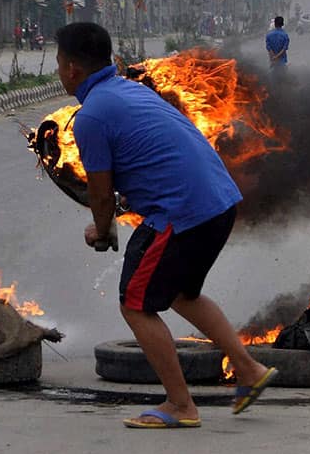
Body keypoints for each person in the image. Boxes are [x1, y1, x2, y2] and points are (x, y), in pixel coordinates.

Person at [55, 22, 278, 429]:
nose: (58, 70)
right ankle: (249, 370)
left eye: (57, 62)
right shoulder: (131, 91)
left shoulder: (92, 117)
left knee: (135, 304)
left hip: (182, 213)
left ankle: (180, 406)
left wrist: (101, 231)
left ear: (71, 68)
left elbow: (101, 196)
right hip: (219, 203)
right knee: (181, 293)